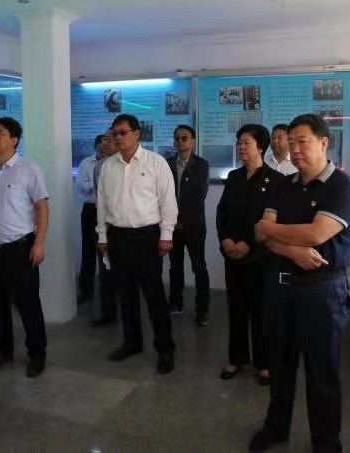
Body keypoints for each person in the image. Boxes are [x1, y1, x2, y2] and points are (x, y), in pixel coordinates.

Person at [249, 114, 350, 453]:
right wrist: (292, 251)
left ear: (324, 143)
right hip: (280, 288)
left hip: (322, 291)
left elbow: (317, 233)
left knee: (321, 371)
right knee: (280, 365)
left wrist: (269, 230)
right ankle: (276, 427)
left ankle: (326, 442)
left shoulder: (342, 186)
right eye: (290, 141)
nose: (294, 149)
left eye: (302, 141)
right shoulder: (283, 184)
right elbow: (260, 235)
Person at [96, 114, 178, 374]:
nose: (117, 138)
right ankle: (132, 342)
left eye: (123, 133)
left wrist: (166, 235)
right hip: (118, 237)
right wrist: (102, 236)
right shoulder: (108, 166)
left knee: (154, 296)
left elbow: (168, 201)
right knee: (126, 294)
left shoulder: (156, 162)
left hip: (147, 238)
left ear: (136, 134)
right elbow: (102, 204)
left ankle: (165, 348)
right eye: (114, 133)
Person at [0, 117, 50, 378]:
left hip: (21, 249)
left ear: (14, 139)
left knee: (28, 305)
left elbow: (42, 207)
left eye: (0, 133)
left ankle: (36, 354)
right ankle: (2, 352)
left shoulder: (28, 169)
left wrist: (39, 243)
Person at [216, 124, 284, 386]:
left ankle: (263, 363)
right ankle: (237, 358)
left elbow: (271, 221)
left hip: (260, 256)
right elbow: (222, 213)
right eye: (239, 142)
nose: (241, 147)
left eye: (246, 142)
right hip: (232, 255)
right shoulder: (234, 177)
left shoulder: (275, 180)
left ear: (261, 147)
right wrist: (226, 240)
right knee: (236, 307)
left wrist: (248, 244)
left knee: (261, 310)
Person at [166, 125, 211, 325]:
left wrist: (181, 220)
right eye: (177, 138)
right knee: (175, 267)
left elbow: (198, 196)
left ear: (193, 140)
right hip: (171, 226)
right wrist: (171, 220)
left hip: (194, 225)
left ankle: (202, 310)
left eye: (184, 138)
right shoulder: (167, 164)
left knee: (199, 267)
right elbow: (162, 194)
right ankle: (176, 303)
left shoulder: (201, 165)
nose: (180, 142)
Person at [90, 129, 119, 326]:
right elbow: (99, 199)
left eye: (109, 140)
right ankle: (108, 313)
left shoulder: (128, 165)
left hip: (125, 227)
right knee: (105, 271)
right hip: (104, 227)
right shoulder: (99, 166)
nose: (105, 143)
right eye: (104, 140)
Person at [76, 134, 105, 305]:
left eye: (106, 144)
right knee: (88, 251)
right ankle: (86, 290)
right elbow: (80, 185)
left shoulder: (112, 163)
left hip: (107, 212)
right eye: (100, 145)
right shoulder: (86, 163)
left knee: (106, 253)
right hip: (90, 210)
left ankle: (107, 291)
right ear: (95, 147)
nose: (104, 148)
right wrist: (96, 184)